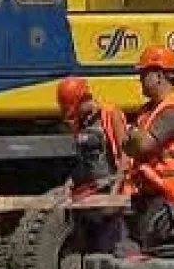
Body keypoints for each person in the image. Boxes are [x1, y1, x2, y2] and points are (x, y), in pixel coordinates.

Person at [122, 45, 174, 247]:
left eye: (144, 74)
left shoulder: (173, 110)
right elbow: (128, 147)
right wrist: (134, 138)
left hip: (171, 202)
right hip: (149, 198)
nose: (140, 80)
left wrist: (133, 134)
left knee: (165, 256)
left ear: (159, 75)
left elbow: (143, 145)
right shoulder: (147, 110)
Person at [56, 76, 136, 256]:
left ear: (84, 99)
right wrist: (70, 182)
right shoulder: (80, 122)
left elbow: (126, 155)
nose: (74, 115)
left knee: (113, 249)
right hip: (88, 200)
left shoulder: (110, 113)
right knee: (91, 253)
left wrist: (114, 195)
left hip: (109, 196)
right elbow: (82, 159)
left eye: (75, 109)